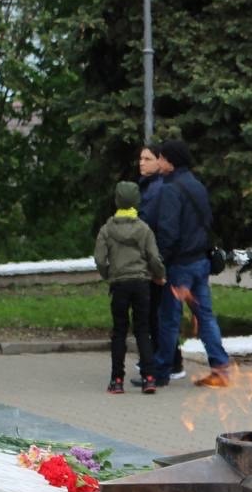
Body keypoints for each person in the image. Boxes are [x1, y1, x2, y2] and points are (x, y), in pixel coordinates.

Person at [154, 138, 232, 387]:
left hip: (180, 265)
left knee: (169, 318)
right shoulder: (196, 185)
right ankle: (220, 368)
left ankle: (161, 372)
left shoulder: (170, 189)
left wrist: (160, 264)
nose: (158, 161)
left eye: (160, 157)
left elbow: (168, 231)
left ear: (169, 161)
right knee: (205, 316)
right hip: (200, 261)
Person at [94, 181, 165, 395]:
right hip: (142, 284)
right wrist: (159, 275)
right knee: (143, 330)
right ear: (136, 201)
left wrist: (108, 274)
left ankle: (116, 380)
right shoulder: (144, 229)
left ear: (116, 201)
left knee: (119, 332)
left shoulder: (107, 229)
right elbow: (153, 256)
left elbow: (99, 258)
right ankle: (149, 378)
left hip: (119, 284)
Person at [135, 142, 185, 386]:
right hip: (154, 258)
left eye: (147, 158)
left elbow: (150, 224)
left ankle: (168, 361)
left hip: (157, 259)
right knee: (158, 310)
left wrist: (156, 262)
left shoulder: (157, 189)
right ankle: (163, 358)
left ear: (158, 162)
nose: (141, 162)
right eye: (140, 158)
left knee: (160, 312)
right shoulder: (149, 186)